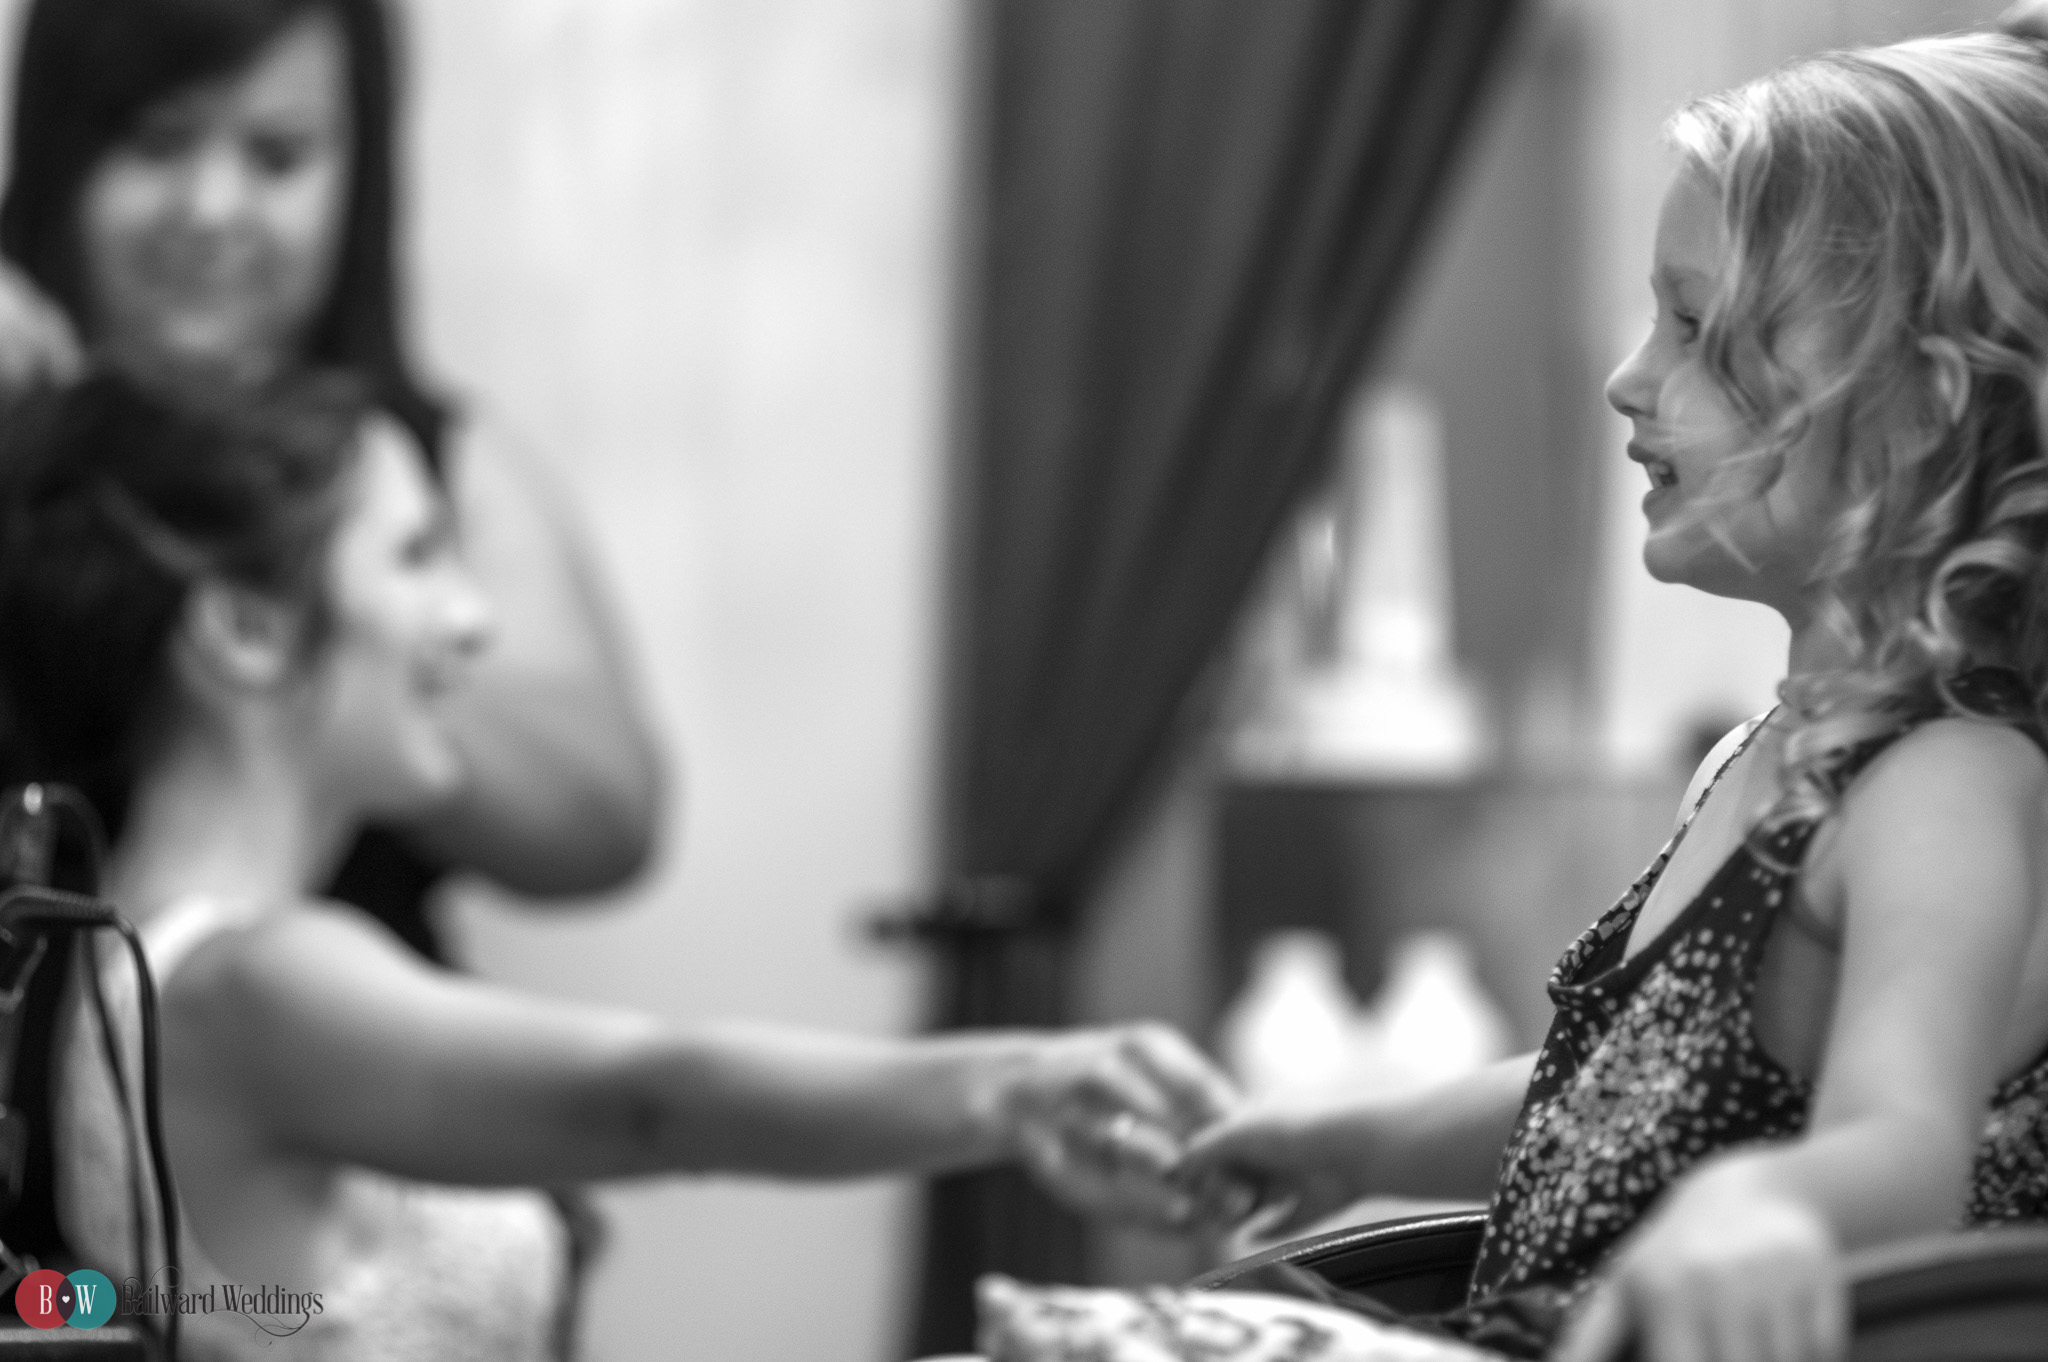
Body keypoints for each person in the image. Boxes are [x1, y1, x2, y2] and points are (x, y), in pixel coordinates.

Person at [978, 27, 2048, 1362]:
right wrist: (1360, 1135)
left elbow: (1904, 1141)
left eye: (1700, 330)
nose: (1627, 379)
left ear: (1922, 411)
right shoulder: (1757, 757)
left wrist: (1761, 1208)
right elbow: (1616, 1089)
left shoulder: (1948, 787)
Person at [4, 370, 1238, 1361]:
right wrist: (1013, 1089)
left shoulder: (112, 974)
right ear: (244, 628)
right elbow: (646, 1098)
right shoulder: (250, 982)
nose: (472, 623)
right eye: (416, 557)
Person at [0, 0, 661, 960]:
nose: (212, 209)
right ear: (59, 154)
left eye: (277, 157)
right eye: (156, 144)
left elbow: (607, 819)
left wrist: (334, 613)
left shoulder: (422, 460)